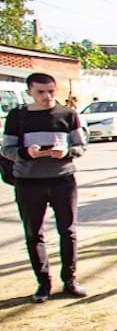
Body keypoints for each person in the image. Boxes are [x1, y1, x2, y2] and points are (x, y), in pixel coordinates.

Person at [2, 72, 87, 303]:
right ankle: (43, 283)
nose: (47, 96)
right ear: (30, 92)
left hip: (63, 180)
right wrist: (26, 153)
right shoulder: (17, 117)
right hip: (28, 183)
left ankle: (70, 280)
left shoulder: (68, 114)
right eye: (41, 92)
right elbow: (6, 149)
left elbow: (81, 145)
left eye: (51, 91)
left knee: (68, 231)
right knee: (34, 233)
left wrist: (67, 152)